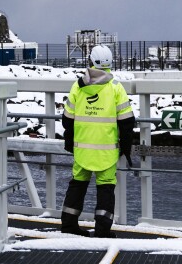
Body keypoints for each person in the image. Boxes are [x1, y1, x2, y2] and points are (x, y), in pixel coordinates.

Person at [60, 44, 136, 237]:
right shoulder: (116, 88)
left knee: (77, 184)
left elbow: (67, 119)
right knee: (106, 188)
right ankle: (102, 230)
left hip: (82, 150)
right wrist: (126, 150)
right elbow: (127, 123)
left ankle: (69, 226)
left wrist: (70, 143)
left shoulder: (78, 86)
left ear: (90, 61)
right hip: (107, 152)